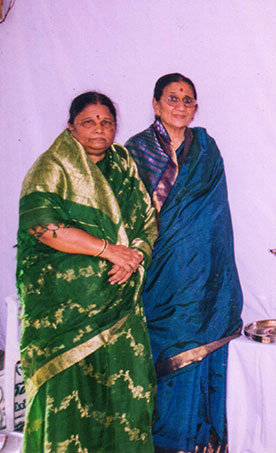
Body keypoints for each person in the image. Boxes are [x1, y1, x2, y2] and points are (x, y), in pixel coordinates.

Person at [16, 91, 157, 452]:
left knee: (126, 391)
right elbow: (42, 226)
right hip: (65, 313)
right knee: (70, 394)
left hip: (119, 302)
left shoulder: (123, 165)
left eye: (107, 122)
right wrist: (110, 251)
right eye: (89, 121)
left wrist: (133, 258)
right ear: (71, 127)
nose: (99, 128)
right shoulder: (53, 166)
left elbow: (146, 222)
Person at [125, 73, 243, 453]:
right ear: (156, 104)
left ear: (196, 107)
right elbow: (126, 214)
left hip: (204, 274)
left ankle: (201, 442)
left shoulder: (207, 149)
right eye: (172, 98)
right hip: (160, 273)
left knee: (202, 346)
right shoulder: (136, 150)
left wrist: (217, 275)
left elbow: (216, 216)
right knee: (165, 349)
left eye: (188, 99)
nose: (180, 106)